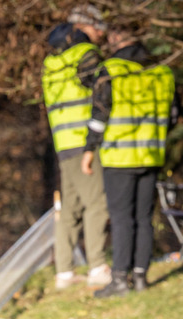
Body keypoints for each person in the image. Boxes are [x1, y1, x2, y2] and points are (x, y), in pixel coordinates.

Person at [81, 14, 176, 297]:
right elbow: (173, 115)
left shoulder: (111, 70)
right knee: (144, 218)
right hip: (151, 154)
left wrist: (89, 149)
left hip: (119, 158)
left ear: (115, 37)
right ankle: (141, 277)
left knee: (122, 218)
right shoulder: (162, 71)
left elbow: (100, 114)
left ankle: (120, 279)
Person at [42, 4, 111, 290]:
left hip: (63, 145)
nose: (101, 34)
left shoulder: (52, 63)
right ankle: (97, 267)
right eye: (98, 27)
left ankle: (64, 272)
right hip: (85, 143)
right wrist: (94, 140)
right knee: (97, 203)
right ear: (83, 27)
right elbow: (102, 97)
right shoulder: (85, 56)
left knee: (70, 209)